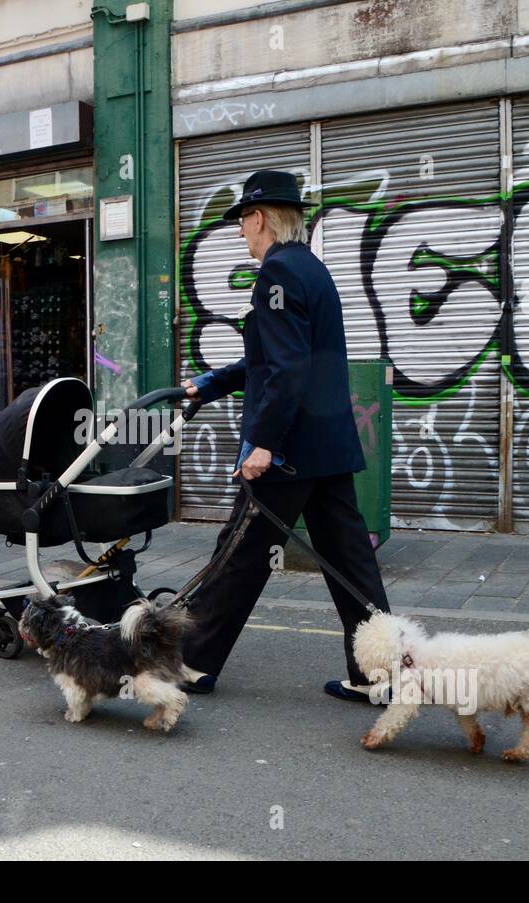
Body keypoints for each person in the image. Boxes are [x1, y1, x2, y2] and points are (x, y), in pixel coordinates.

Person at [179, 169, 391, 702]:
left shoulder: (275, 275)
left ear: (259, 218)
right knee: (351, 566)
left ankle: (192, 662)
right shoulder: (311, 270)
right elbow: (275, 358)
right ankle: (382, 674)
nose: (239, 235)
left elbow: (288, 369)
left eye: (242, 223)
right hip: (328, 447)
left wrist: (264, 443)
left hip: (289, 452)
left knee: (241, 552)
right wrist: (211, 384)